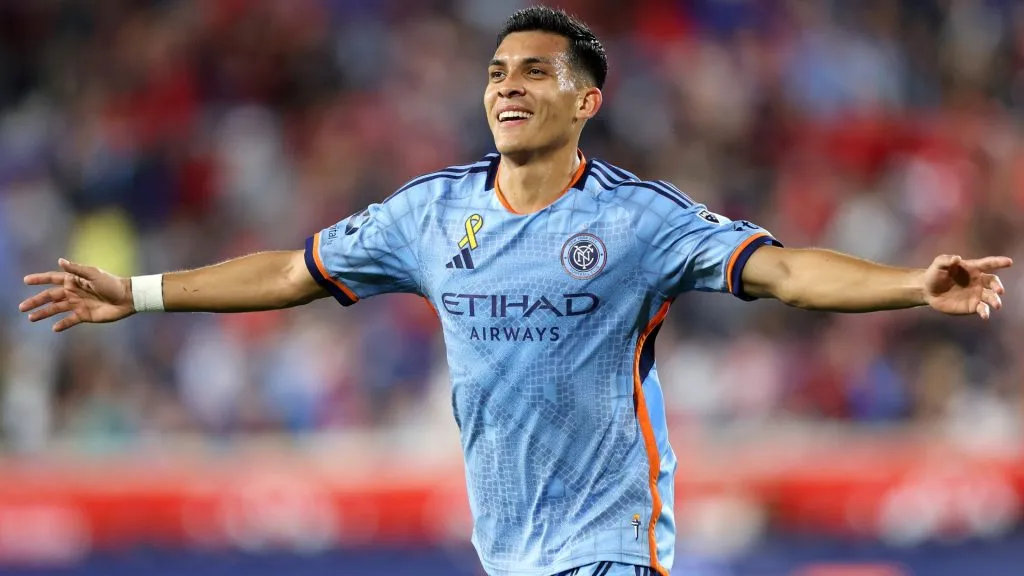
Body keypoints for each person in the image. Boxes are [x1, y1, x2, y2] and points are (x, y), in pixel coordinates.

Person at [17, 6, 1012, 576]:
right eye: (498, 71)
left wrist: (911, 286)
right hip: (508, 553)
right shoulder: (428, 214)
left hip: (609, 548)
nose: (507, 86)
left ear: (587, 101)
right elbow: (290, 271)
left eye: (535, 72)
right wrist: (138, 293)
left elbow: (785, 271)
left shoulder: (637, 221)